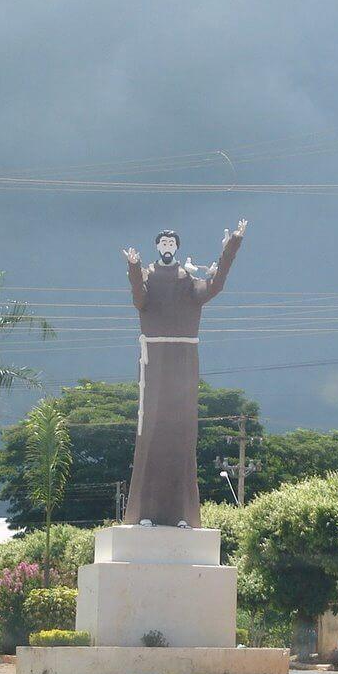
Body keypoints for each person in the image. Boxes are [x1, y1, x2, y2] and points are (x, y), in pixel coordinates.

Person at [120, 220, 247, 528]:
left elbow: (215, 286)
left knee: (183, 434)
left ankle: (182, 515)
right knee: (150, 432)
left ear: (177, 247)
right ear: (157, 247)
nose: (167, 247)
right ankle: (144, 513)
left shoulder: (188, 280)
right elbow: (140, 300)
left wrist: (231, 247)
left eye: (171, 243)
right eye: (162, 243)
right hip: (154, 358)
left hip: (185, 358)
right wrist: (135, 269)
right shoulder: (147, 276)